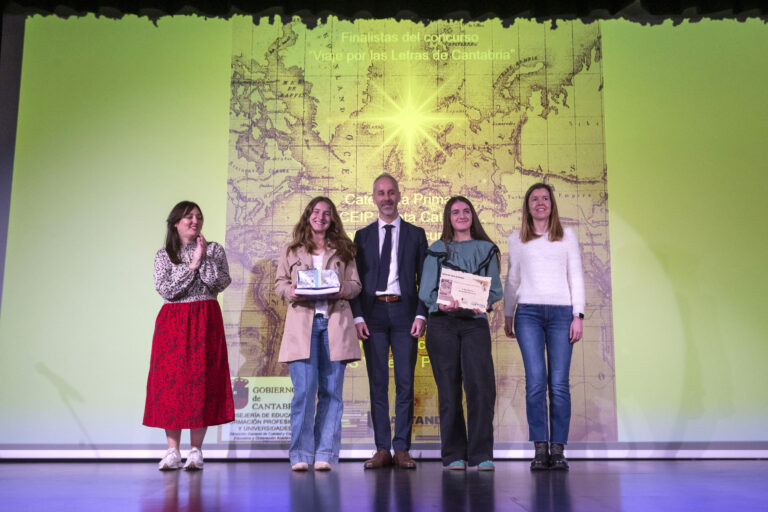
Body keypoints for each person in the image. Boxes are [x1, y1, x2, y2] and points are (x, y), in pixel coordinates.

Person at [144, 201, 234, 471]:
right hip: (173, 322)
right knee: (171, 383)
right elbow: (167, 290)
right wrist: (193, 263)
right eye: (188, 217)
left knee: (201, 380)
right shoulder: (164, 254)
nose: (195, 221)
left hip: (206, 318)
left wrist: (203, 257)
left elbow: (220, 283)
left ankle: (196, 450)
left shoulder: (214, 249)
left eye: (198, 216)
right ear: (176, 223)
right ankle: (172, 451)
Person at [275, 196, 362, 471]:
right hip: (303, 326)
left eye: (326, 213)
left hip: (334, 325)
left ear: (333, 218)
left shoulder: (345, 250)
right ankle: (300, 455)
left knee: (332, 394)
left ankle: (325, 454)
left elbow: (356, 284)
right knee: (303, 392)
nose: (320, 217)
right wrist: (289, 290)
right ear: (308, 215)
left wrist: (343, 290)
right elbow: (279, 283)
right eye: (315, 211)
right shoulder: (292, 250)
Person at [503, 182, 585, 471]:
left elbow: (575, 275)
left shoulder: (567, 237)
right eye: (534, 199)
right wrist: (508, 314)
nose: (540, 203)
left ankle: (558, 449)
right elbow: (513, 280)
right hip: (528, 315)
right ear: (527, 206)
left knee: (559, 384)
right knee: (536, 382)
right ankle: (540, 449)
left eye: (545, 199)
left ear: (552, 205)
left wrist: (579, 315)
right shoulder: (517, 239)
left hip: (563, 314)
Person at [418, 196, 502, 471]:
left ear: (473, 216)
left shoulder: (487, 249)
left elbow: (495, 289)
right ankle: (454, 454)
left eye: (466, 211)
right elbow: (426, 291)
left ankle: (481, 455)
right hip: (442, 324)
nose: (462, 215)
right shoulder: (437, 248)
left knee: (480, 387)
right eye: (456, 212)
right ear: (448, 217)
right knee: (449, 390)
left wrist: (484, 301)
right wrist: (439, 303)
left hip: (474, 323)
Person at [351, 173, 428, 469]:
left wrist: (421, 313)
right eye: (381, 193)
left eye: (391, 192)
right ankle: (382, 448)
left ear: (399, 195)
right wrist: (357, 315)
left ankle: (402, 449)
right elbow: (355, 280)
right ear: (374, 198)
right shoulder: (363, 236)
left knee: (406, 383)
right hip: (373, 315)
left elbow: (426, 278)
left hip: (405, 313)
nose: (386, 198)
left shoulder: (415, 234)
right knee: (378, 383)